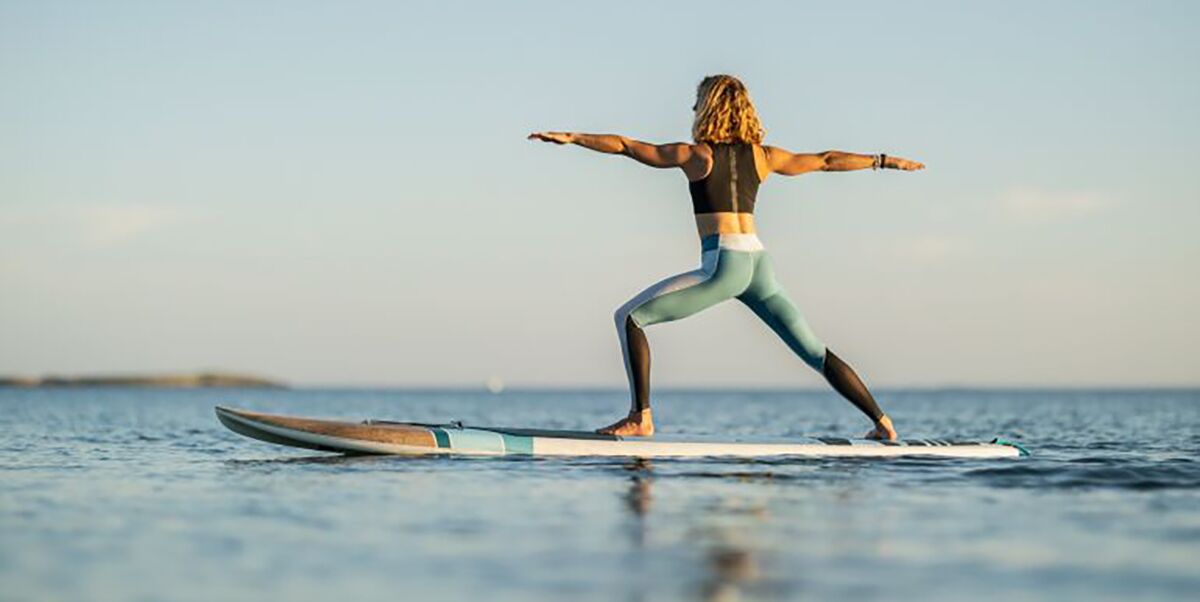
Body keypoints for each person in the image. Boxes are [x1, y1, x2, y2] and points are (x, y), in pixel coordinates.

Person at [528, 74, 924, 440]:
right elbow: (825, 160)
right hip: (759, 265)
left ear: (709, 108)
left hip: (725, 265)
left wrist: (575, 137)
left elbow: (628, 146)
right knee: (814, 351)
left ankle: (640, 416)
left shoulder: (697, 155)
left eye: (697, 102)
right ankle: (882, 423)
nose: (692, 109)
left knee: (629, 318)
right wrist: (883, 161)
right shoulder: (764, 156)